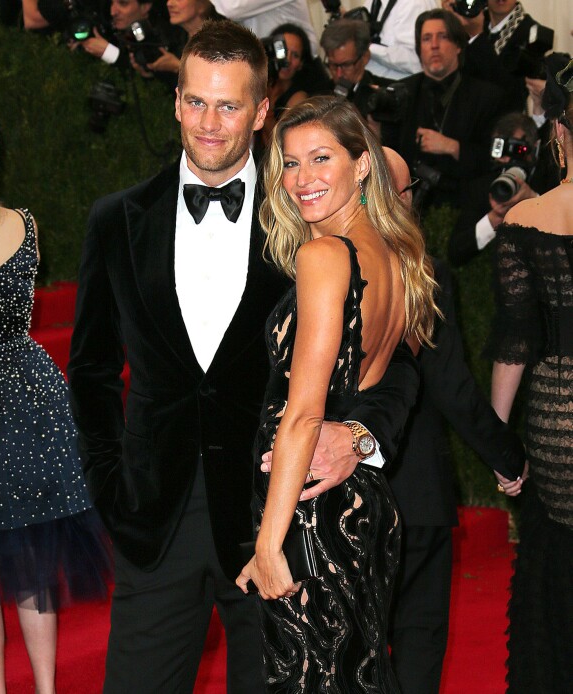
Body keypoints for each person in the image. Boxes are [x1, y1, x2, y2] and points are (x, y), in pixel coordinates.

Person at [68, 20, 421, 693]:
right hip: (154, 522)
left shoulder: (307, 217)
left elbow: (396, 360)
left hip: (277, 525)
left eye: (229, 105)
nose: (208, 122)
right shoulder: (116, 219)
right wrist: (113, 490)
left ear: (260, 113)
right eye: (196, 100)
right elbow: (89, 373)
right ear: (175, 100)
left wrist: (361, 433)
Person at [235, 96, 438, 691]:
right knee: (357, 672)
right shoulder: (397, 254)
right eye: (290, 164)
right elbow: (391, 371)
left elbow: (303, 414)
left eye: (321, 158)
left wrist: (269, 544)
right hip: (359, 505)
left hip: (311, 514)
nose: (302, 180)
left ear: (362, 164)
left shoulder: (325, 255)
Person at [383, 148, 527, 694]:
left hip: (331, 494)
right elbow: (451, 387)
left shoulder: (304, 260)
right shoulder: (421, 271)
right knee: (417, 636)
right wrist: (507, 456)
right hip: (413, 490)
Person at [0, 121, 111, 694]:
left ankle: (45, 690)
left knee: (32, 559)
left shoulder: (25, 224)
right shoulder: (23, 224)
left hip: (27, 404)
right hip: (19, 395)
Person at [487, 58, 573, 693]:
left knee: (554, 568)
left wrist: (497, 442)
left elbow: (516, 341)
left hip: (558, 414)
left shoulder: (528, 219)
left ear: (560, 135)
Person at [382, 8, 504, 210]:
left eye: (443, 37)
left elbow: (495, 159)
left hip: (467, 208)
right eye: (427, 39)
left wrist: (453, 147)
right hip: (410, 207)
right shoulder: (401, 93)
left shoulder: (487, 97)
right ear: (419, 49)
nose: (435, 46)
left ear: (458, 45)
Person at [448, 111, 561, 266]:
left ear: (535, 148)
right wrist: (494, 218)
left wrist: (534, 201)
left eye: (517, 149)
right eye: (501, 149)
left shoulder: (554, 179)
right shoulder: (485, 187)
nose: (509, 158)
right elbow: (455, 253)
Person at [320, 18, 390, 125]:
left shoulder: (384, 96)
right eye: (333, 65)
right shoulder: (319, 96)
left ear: (365, 57)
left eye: (346, 65)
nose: (339, 74)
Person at [260, 23, 311, 147]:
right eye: (283, 51)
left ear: (301, 64)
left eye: (295, 55)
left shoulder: (299, 98)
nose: (287, 60)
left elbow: (281, 145)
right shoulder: (259, 83)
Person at [365, 0, 438, 81]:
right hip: (372, 83)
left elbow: (415, 61)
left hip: (402, 88)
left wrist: (368, 47)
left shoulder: (413, 3)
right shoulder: (372, 1)